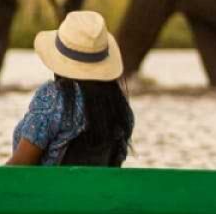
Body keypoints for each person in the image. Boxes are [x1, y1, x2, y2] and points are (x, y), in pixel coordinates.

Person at [8, 10, 133, 166]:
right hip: (98, 190)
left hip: (47, 190)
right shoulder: (120, 107)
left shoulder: (52, 97)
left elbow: (19, 166)